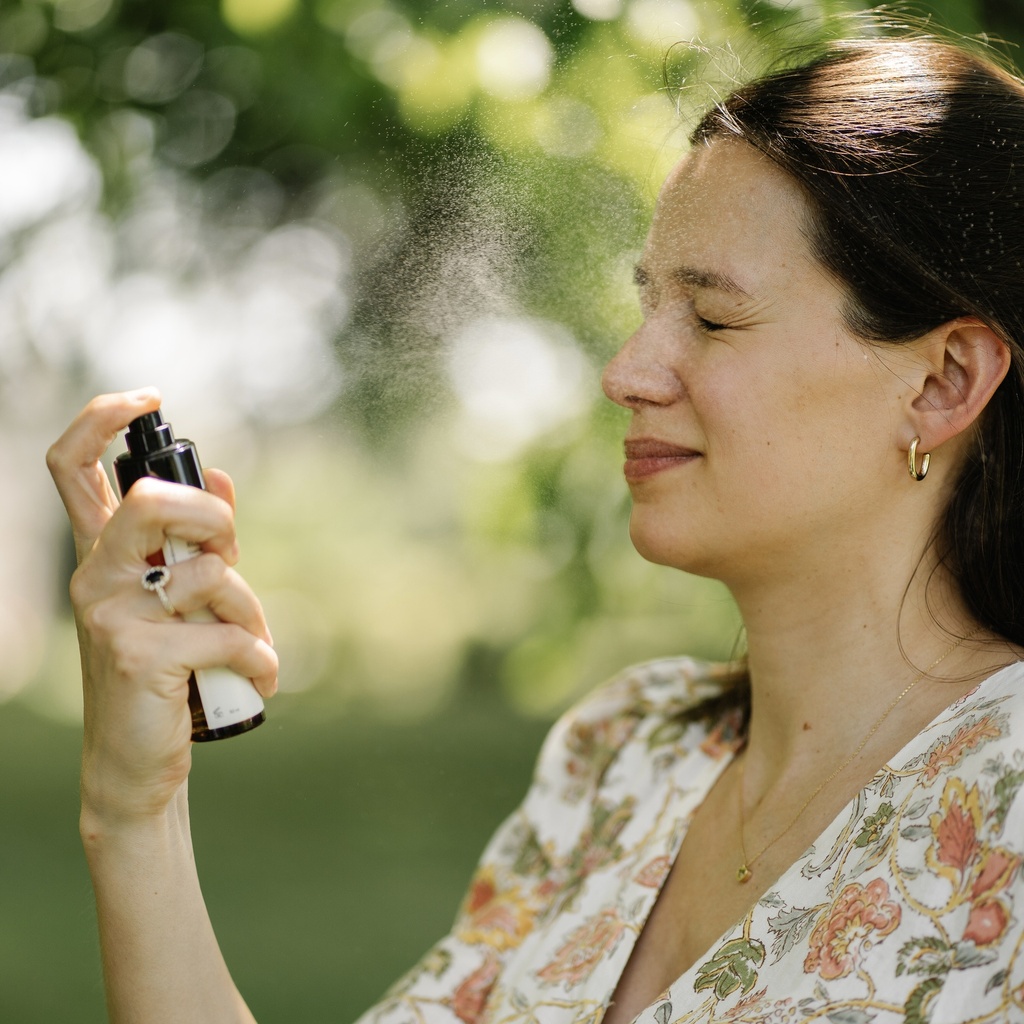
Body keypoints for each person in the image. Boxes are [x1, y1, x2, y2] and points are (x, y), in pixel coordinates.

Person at [47, 31, 1024, 1024]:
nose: (627, 373)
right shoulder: (623, 755)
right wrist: (133, 808)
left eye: (714, 318)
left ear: (943, 383)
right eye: (648, 305)